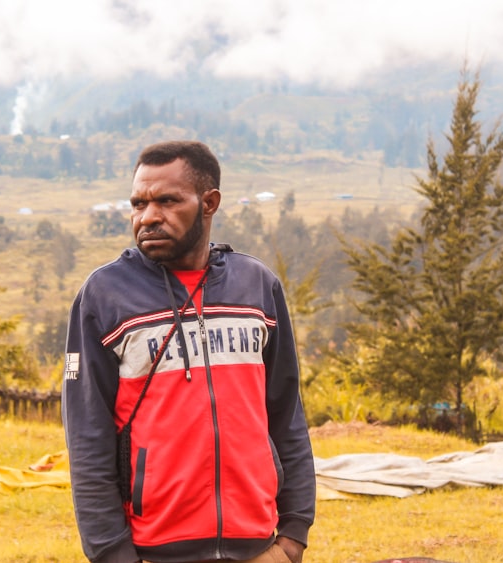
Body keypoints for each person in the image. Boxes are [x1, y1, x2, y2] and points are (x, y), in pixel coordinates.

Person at [62, 141, 315, 563]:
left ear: (209, 202)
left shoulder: (257, 287)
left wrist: (292, 535)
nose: (147, 217)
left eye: (167, 201)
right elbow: (88, 439)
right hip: (153, 550)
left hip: (259, 545)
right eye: (138, 203)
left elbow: (287, 415)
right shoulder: (105, 297)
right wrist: (112, 553)